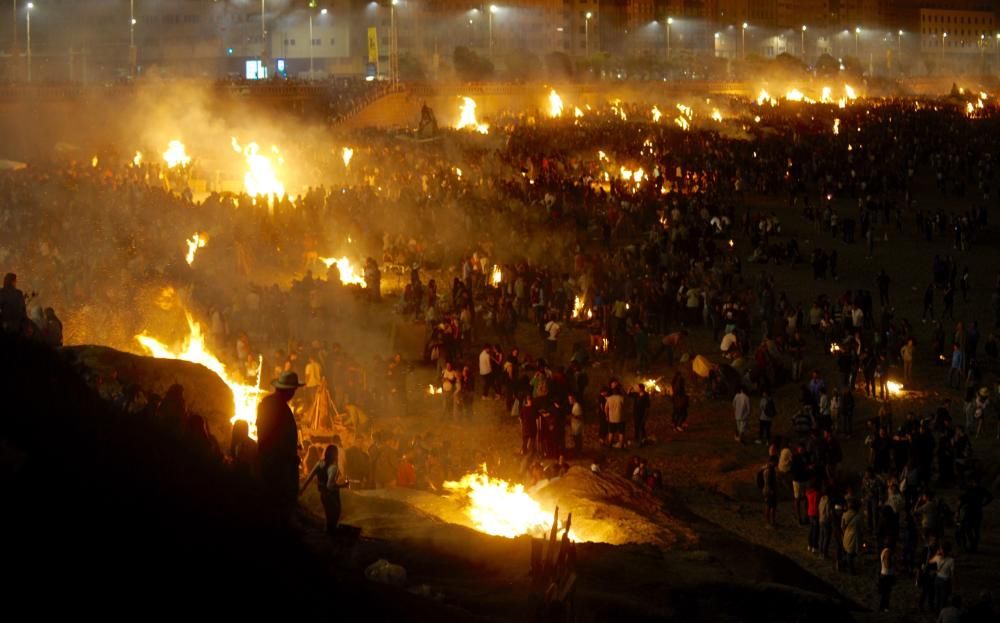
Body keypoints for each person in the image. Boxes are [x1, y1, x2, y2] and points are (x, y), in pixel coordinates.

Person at [256, 370, 303, 521]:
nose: (294, 393)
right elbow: (271, 439)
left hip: (275, 464)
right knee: (277, 509)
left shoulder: (270, 404)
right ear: (288, 390)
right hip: (277, 467)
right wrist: (287, 459)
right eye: (293, 390)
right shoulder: (276, 407)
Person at [299, 444, 348, 536]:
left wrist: (301, 491)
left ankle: (328, 538)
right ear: (335, 454)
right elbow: (329, 486)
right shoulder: (333, 467)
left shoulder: (319, 463)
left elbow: (309, 478)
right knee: (334, 518)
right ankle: (330, 539)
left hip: (323, 494)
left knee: (329, 517)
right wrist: (343, 485)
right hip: (332, 496)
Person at [930, 543, 955, 611]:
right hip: (945, 581)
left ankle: (937, 611)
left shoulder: (938, 557)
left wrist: (936, 554)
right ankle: (942, 611)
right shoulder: (951, 560)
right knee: (943, 598)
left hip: (937, 579)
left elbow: (930, 561)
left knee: (937, 596)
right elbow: (952, 573)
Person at [841, 499, 863, 574]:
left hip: (846, 535)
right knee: (851, 554)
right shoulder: (858, 517)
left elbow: (842, 526)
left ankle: (844, 564)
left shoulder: (844, 515)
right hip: (854, 537)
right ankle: (850, 570)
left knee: (848, 552)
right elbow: (861, 529)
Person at [877, 546, 896, 613]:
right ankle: (883, 608)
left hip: (884, 575)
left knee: (885, 593)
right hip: (887, 575)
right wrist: (893, 564)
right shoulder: (887, 552)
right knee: (886, 593)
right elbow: (887, 565)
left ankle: (884, 607)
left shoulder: (884, 551)